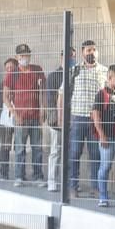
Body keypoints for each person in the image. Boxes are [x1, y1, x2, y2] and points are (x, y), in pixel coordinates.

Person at [58, 40, 107, 198]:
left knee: (95, 155)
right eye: (88, 50)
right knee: (74, 154)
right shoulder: (74, 70)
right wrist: (60, 118)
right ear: (82, 53)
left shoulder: (104, 72)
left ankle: (96, 187)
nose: (91, 53)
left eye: (94, 49)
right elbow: (62, 94)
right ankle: (73, 186)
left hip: (96, 120)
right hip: (77, 118)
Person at [4, 44, 45, 187]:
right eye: (21, 56)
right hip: (20, 118)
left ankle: (38, 176)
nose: (24, 58)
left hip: (35, 116)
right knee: (20, 148)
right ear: (17, 57)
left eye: (26, 55)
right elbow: (6, 97)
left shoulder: (37, 70)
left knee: (37, 148)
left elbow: (42, 92)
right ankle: (19, 176)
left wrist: (42, 110)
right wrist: (15, 114)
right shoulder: (12, 74)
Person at [92, 65, 115, 207]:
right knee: (105, 167)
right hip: (108, 138)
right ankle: (103, 196)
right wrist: (102, 135)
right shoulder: (102, 94)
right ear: (110, 78)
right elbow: (96, 115)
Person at [45, 48, 75, 192]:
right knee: (55, 150)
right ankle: (52, 181)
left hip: (73, 118)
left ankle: (68, 182)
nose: (71, 59)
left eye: (73, 56)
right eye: (69, 56)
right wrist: (57, 117)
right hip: (57, 119)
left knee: (71, 151)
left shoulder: (76, 74)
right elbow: (50, 99)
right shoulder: (54, 76)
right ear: (61, 57)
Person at [0, 58, 18, 180]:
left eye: (11, 67)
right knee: (5, 146)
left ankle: (19, 173)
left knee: (19, 146)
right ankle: (4, 171)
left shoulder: (21, 81)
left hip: (19, 117)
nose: (9, 70)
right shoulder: (3, 83)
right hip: (5, 119)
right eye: (7, 68)